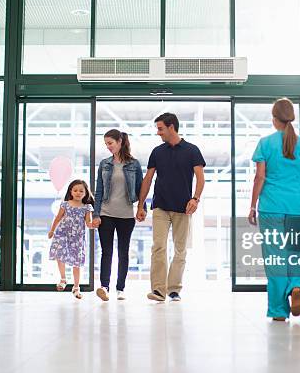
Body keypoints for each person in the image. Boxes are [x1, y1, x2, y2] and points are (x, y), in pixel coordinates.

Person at [248, 98, 300, 321]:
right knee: (294, 254)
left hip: (271, 208)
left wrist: (252, 206)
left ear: (274, 118)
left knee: (275, 259)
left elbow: (259, 177)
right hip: (298, 206)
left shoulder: (265, 143)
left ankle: (279, 310)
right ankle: (296, 286)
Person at [137, 113, 206, 302]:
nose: (158, 133)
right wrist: (140, 205)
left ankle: (174, 289)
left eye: (160, 128)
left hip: (184, 208)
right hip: (160, 206)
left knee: (180, 249)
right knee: (158, 246)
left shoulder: (192, 150)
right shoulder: (157, 152)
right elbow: (148, 179)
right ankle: (158, 290)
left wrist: (195, 199)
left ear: (171, 127)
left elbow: (200, 178)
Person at [92, 129, 144, 301]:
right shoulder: (104, 164)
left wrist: (142, 207)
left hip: (126, 215)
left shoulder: (134, 164)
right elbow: (99, 190)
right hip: (106, 213)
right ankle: (104, 287)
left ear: (120, 141)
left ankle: (120, 288)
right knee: (106, 252)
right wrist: (96, 214)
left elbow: (140, 189)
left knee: (123, 252)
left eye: (110, 143)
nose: (108, 146)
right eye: (106, 144)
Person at [48, 179, 95, 299]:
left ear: (85, 193)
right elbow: (58, 218)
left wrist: (93, 224)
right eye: (75, 190)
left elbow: (88, 223)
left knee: (76, 262)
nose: (78, 193)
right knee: (59, 254)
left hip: (77, 237)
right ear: (71, 191)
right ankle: (63, 279)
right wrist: (52, 230)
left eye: (81, 191)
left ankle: (76, 287)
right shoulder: (65, 204)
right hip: (62, 233)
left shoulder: (87, 207)